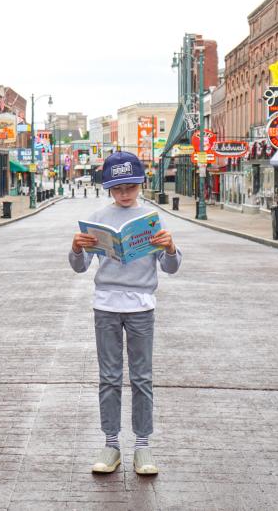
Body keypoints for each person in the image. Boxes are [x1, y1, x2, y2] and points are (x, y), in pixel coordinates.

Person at [69, 151, 182, 475]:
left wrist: (171, 248)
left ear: (140, 184)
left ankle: (142, 447)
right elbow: (80, 267)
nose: (124, 194)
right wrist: (77, 248)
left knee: (142, 378)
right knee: (109, 378)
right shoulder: (98, 218)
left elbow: (171, 267)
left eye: (130, 187)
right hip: (105, 304)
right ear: (108, 187)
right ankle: (111, 444)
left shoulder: (151, 219)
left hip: (141, 307)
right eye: (118, 188)